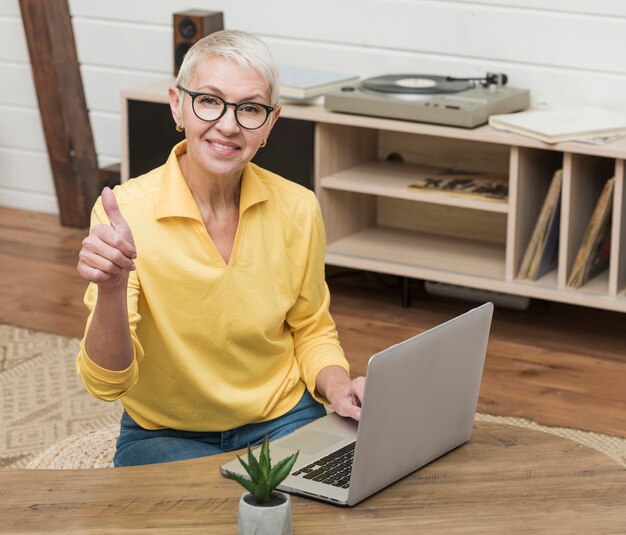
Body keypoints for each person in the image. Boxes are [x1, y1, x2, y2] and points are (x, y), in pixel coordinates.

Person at [76, 29, 364, 467]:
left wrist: (338, 385)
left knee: (334, 506)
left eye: (250, 108)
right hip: (165, 431)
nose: (228, 125)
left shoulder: (299, 207)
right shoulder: (124, 214)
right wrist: (112, 288)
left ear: (270, 122)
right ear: (177, 104)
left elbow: (310, 328)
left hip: (280, 417)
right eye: (209, 100)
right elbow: (106, 384)